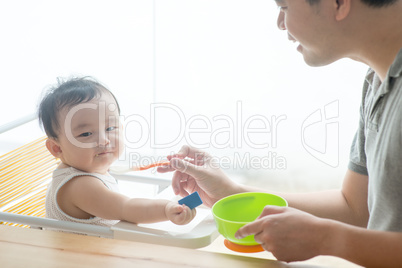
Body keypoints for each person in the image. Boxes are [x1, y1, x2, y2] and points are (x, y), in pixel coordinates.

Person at [158, 0, 402, 266]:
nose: (280, 23)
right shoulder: (377, 80)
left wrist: (326, 239)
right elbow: (356, 208)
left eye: (284, 7)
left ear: (339, 3)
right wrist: (232, 193)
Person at [38, 77, 196, 229]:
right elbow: (126, 207)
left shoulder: (91, 171)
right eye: (86, 134)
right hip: (80, 256)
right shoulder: (79, 185)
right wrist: (167, 209)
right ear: (57, 148)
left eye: (109, 128)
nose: (103, 140)